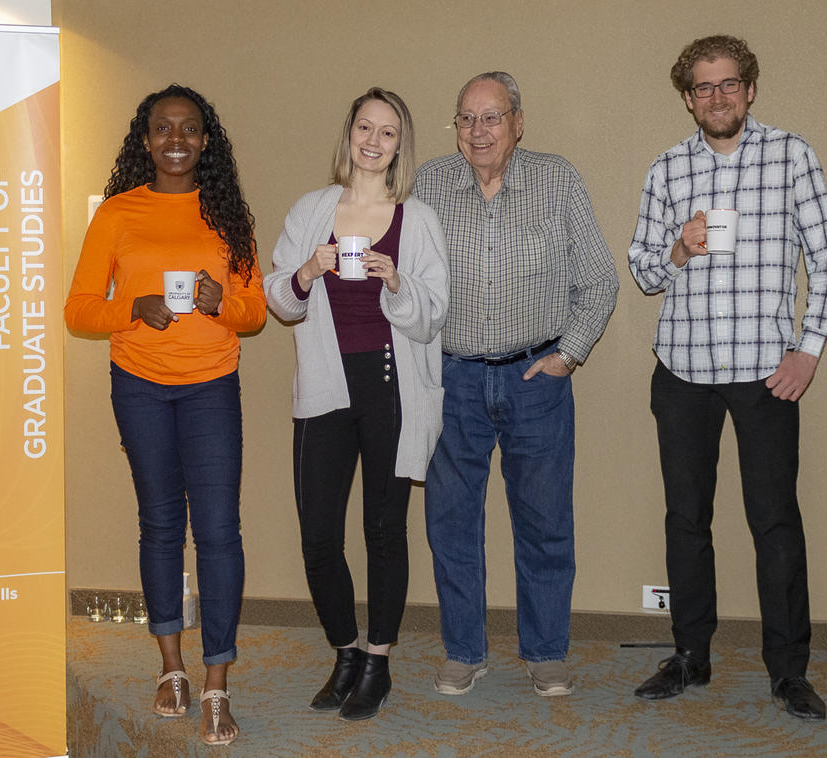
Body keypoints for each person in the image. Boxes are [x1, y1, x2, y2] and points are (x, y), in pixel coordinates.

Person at [627, 35, 827, 721]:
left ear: (749, 89)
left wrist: (808, 349)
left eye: (728, 84)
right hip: (684, 371)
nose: (716, 97)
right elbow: (641, 271)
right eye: (703, 87)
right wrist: (678, 250)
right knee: (685, 520)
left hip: (766, 375)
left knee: (775, 522)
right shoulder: (667, 169)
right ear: (688, 97)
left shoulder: (791, 156)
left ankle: (788, 670)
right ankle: (690, 655)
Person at [64, 84, 266, 746]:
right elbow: (79, 308)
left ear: (206, 141)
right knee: (158, 526)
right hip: (140, 387)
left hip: (211, 386)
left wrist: (219, 302)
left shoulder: (228, 216)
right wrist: (134, 306)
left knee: (219, 532)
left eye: (187, 129)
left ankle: (216, 685)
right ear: (144, 140)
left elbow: (255, 310)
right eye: (161, 128)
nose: (174, 139)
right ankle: (170, 669)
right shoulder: (118, 213)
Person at [415, 71, 618, 698]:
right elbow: (411, 281)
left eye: (492, 117)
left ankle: (546, 651)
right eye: (467, 118)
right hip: (454, 378)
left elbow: (600, 281)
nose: (478, 131)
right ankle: (464, 651)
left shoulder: (558, 179)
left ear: (518, 123)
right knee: (451, 521)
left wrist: (569, 356)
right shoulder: (430, 184)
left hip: (537, 377)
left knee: (544, 520)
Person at [264, 87, 448, 721]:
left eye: (388, 132)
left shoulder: (417, 220)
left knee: (383, 531)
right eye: (364, 128)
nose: (374, 141)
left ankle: (377, 660)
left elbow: (433, 317)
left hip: (393, 387)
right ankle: (344, 651)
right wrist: (306, 273)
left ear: (401, 145)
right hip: (324, 386)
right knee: (318, 533)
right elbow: (280, 302)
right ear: (349, 136)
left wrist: (396, 281)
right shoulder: (312, 210)